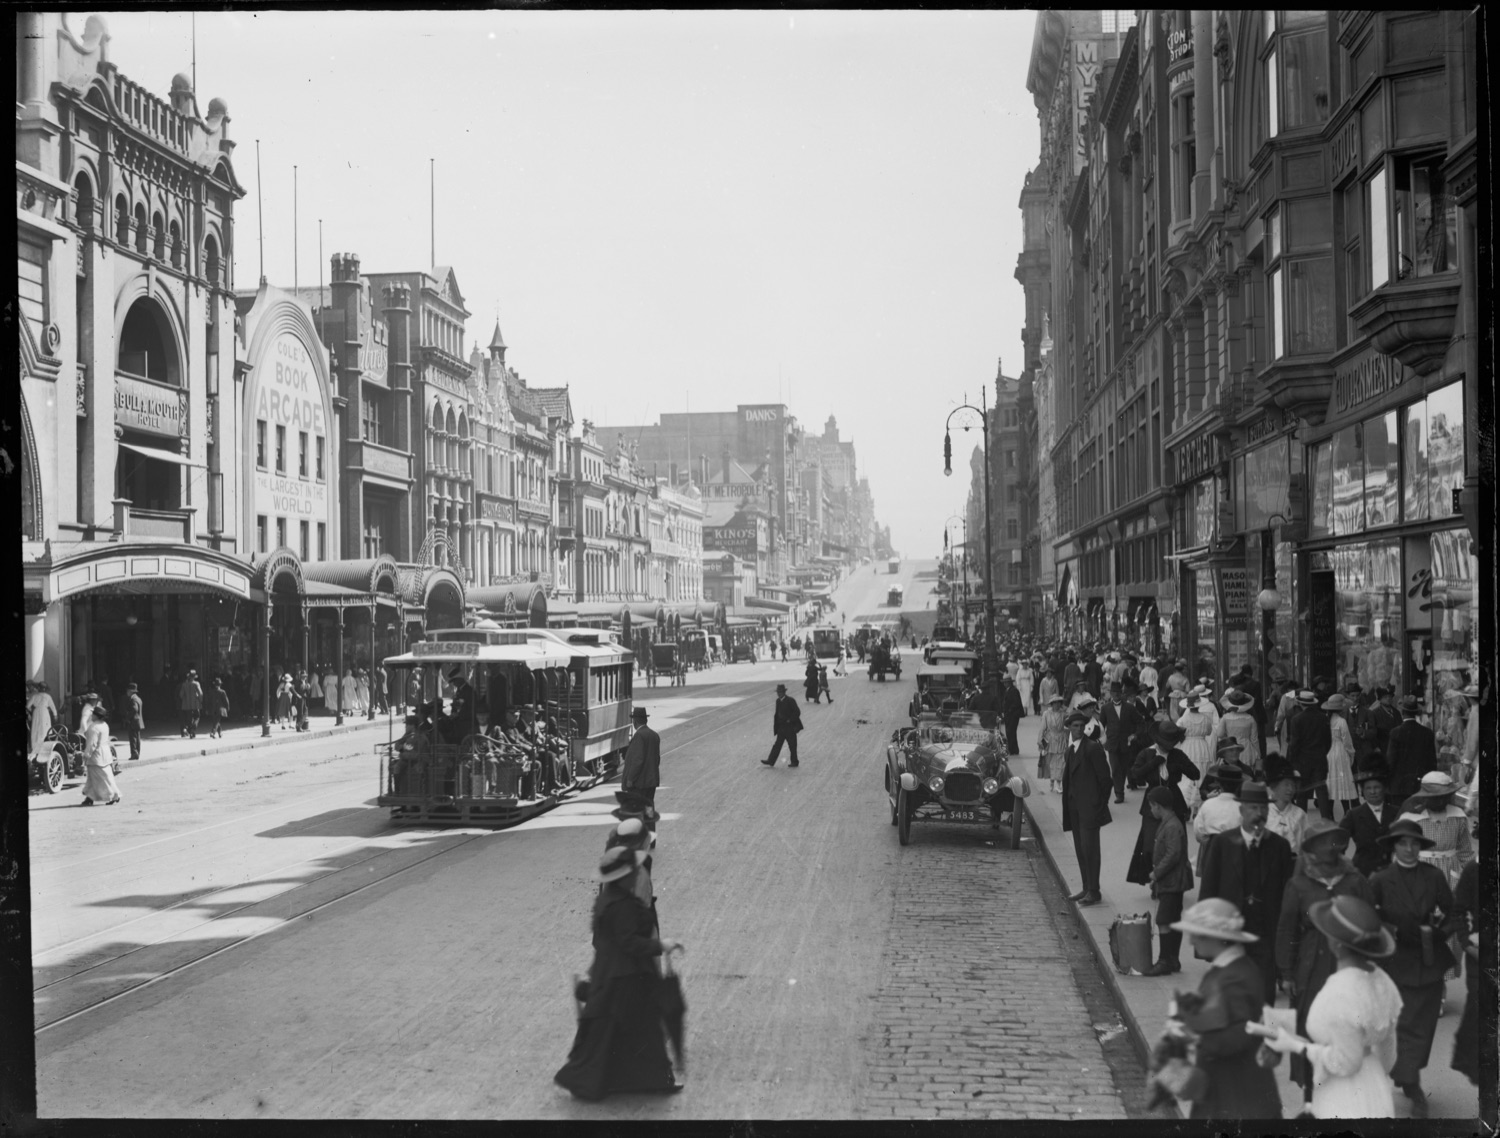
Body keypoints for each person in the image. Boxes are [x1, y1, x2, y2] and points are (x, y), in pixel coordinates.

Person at [554, 845, 684, 1100]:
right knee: (643, 1030)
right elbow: (630, 943)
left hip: (612, 975)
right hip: (625, 978)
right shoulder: (623, 905)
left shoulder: (608, 898)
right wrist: (662, 945)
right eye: (633, 870)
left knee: (613, 1033)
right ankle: (647, 1080)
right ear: (625, 876)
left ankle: (609, 1080)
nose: (637, 873)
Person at [1259, 895, 1404, 1119]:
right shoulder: (1384, 982)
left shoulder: (1339, 992)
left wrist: (1297, 1046)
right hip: (1375, 1085)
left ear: (1336, 944)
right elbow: (1388, 1057)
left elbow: (1345, 1064)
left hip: (1343, 1095)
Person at [1274, 817, 1375, 1111]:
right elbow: (1286, 928)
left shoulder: (1355, 880)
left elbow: (1371, 923)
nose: (1330, 848)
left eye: (1334, 842)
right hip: (1311, 963)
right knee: (1311, 1026)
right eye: (1323, 842)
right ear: (1311, 848)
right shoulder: (1299, 884)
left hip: (1348, 963)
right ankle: (1311, 1097)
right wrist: (1287, 973)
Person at [1369, 819, 1458, 1118]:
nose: (1409, 849)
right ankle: (1408, 1081)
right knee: (1400, 1025)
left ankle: (1411, 1080)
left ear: (1421, 847)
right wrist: (1387, 934)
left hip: (1428, 961)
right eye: (1403, 843)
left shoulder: (1433, 877)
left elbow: (1453, 912)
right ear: (1393, 847)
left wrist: (1438, 934)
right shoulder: (1380, 879)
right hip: (1394, 963)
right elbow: (1369, 920)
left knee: (1422, 1028)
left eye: (1415, 843)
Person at [1168, 898, 1283, 1120]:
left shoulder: (1234, 978)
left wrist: (1191, 1033)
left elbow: (1239, 1036)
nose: (1191, 940)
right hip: (1230, 1092)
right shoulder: (1233, 969)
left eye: (1198, 934)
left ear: (1220, 939)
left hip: (1236, 1099)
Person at [1199, 781, 1295, 1001]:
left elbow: (1287, 893)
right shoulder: (1223, 843)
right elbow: (1209, 889)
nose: (1258, 813)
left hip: (1265, 935)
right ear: (1241, 810)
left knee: (1263, 996)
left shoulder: (1279, 847)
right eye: (1253, 807)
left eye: (1263, 808)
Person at [1127, 722, 1199, 888]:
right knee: (1151, 846)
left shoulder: (1177, 755)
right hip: (1152, 805)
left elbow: (1195, 773)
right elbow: (1135, 774)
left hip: (1174, 803)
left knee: (1175, 845)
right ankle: (1155, 879)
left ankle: (1174, 881)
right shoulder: (1147, 753)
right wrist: (1153, 763)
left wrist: (1177, 766)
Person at [1061, 709, 1112, 906]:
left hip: (1090, 809)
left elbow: (1105, 779)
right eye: (1075, 726)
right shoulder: (1070, 750)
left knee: (1091, 850)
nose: (1079, 729)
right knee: (1081, 850)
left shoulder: (1092, 748)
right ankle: (1085, 887)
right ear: (1069, 729)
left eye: (1082, 726)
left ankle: (1094, 890)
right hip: (1074, 809)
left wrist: (1099, 804)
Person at [1144, 786, 1193, 975]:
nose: (1151, 810)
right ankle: (1173, 959)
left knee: (1164, 920)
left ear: (1158, 806)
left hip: (1172, 880)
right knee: (1172, 919)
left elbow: (1173, 853)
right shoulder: (1170, 822)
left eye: (1152, 806)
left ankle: (1165, 960)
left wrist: (1156, 874)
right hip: (1172, 880)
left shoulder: (1172, 826)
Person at [1397, 770, 1474, 885]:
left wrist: (1471, 876)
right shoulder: (1411, 818)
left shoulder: (1458, 816)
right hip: (1420, 871)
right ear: (1425, 797)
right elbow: (1401, 851)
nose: (1441, 801)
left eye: (1445, 797)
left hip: (1450, 873)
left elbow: (1465, 851)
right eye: (1435, 798)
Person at [1345, 763, 1400, 877]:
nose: (1372, 792)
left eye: (1376, 787)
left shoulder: (1396, 812)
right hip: (1363, 869)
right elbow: (1337, 840)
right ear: (1363, 792)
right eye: (1368, 788)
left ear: (1384, 789)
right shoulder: (1353, 814)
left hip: (1391, 868)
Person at [1286, 689, 1333, 820]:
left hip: (1302, 761)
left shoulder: (1296, 719)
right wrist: (1322, 753)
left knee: (1302, 793)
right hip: (1320, 759)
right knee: (1321, 791)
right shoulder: (1323, 718)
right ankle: (1326, 819)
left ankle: (1302, 821)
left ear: (1300, 703)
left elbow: (1294, 744)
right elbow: (1328, 741)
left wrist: (1291, 761)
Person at [1385, 695, 1436, 803]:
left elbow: (1390, 761)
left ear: (1402, 712)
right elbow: (1432, 763)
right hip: (1420, 786)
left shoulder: (1395, 733)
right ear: (1416, 712)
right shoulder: (1427, 733)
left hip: (1399, 787)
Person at [1101, 682, 1143, 805]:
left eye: (1118, 692)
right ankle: (1119, 794)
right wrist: (1102, 741)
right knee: (1114, 769)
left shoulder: (1129, 708)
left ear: (1122, 693)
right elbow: (1101, 727)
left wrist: (1135, 735)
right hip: (1112, 743)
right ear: (1110, 694)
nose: (1116, 695)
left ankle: (1121, 789)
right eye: (1114, 693)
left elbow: (1141, 722)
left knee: (1124, 769)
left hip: (1126, 744)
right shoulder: (1106, 708)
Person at [1321, 693, 1358, 817]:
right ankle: (1347, 813)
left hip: (1327, 753)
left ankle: (1329, 815)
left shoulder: (1325, 721)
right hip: (1340, 751)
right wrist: (1351, 753)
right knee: (1343, 783)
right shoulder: (1341, 721)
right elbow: (1347, 741)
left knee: (1330, 783)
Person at [1213, 690, 1262, 779]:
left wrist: (1227, 737)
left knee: (1230, 773)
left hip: (1230, 747)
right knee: (1246, 773)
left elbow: (1219, 734)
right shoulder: (1250, 718)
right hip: (1246, 749)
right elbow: (1254, 739)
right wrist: (1258, 754)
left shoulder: (1226, 718)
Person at [79, 706, 121, 807]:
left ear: (96, 716)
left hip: (96, 756)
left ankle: (113, 795)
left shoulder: (93, 727)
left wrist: (86, 755)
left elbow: (91, 744)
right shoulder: (105, 725)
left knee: (101, 778)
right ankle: (89, 798)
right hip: (105, 753)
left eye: (93, 714)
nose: (91, 716)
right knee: (95, 778)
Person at [1263, 766, 1308, 858]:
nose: (1291, 789)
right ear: (1274, 787)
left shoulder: (1300, 814)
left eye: (1293, 785)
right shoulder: (1262, 811)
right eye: (1286, 784)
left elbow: (1306, 846)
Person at [621, 707, 661, 806]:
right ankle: (650, 822)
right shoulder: (654, 735)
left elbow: (637, 760)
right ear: (645, 720)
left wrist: (630, 779)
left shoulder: (639, 736)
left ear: (635, 721)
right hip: (651, 782)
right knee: (648, 806)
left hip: (639, 783)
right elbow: (657, 759)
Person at [1176, 690, 1216, 776]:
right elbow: (1209, 732)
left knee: (1188, 768)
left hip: (1187, 745)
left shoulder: (1182, 719)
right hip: (1202, 745)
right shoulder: (1206, 719)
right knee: (1203, 769)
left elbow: (1177, 732)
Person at [764, 683, 803, 768]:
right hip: (781, 728)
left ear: (784, 692)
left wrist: (790, 720)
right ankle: (770, 761)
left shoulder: (790, 700)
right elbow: (777, 714)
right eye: (778, 692)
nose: (779, 693)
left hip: (790, 728)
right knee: (777, 745)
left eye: (780, 692)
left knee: (792, 745)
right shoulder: (778, 701)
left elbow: (797, 712)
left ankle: (794, 762)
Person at [1037, 692, 1068, 794]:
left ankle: (1059, 783)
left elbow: (1068, 726)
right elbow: (1042, 728)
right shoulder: (1046, 714)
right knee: (1051, 762)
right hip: (1050, 740)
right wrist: (1040, 741)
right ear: (1051, 704)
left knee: (1061, 762)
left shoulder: (1064, 714)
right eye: (1055, 703)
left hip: (1061, 739)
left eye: (1058, 702)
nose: (1057, 705)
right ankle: (1051, 781)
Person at [27, 680, 58, 756]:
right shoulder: (47, 696)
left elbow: (27, 706)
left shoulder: (35, 696)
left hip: (37, 713)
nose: (43, 689)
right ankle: (40, 749)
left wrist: (30, 712)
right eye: (42, 688)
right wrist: (55, 715)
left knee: (39, 729)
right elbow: (53, 707)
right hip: (44, 713)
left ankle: (38, 749)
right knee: (41, 729)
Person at [1000, 677, 1024, 755]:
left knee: (1011, 732)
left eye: (1006, 682)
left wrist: (1009, 710)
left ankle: (1013, 749)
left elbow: (1016, 703)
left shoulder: (1014, 691)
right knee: (1009, 732)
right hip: (1008, 714)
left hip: (1013, 715)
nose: (1004, 684)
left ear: (1009, 683)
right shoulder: (1007, 690)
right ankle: (1012, 749)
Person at [177, 668, 203, 739]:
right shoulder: (196, 684)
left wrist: (186, 700)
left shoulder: (184, 684)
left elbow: (181, 695)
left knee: (189, 719)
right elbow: (200, 693)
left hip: (187, 705)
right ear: (194, 677)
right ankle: (193, 730)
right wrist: (200, 700)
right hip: (196, 704)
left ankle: (190, 731)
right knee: (197, 717)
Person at [122, 682, 144, 761]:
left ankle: (134, 754)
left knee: (133, 738)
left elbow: (134, 709)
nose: (127, 692)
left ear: (131, 691)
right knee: (137, 738)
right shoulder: (138, 698)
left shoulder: (133, 699)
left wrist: (128, 717)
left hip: (133, 721)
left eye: (127, 691)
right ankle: (137, 753)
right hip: (138, 721)